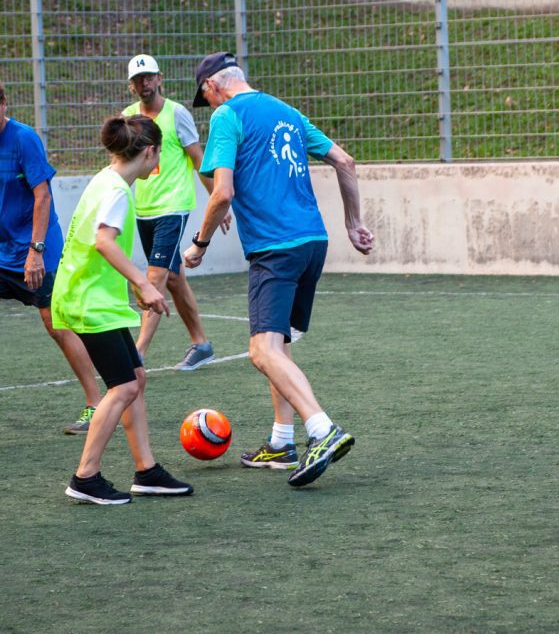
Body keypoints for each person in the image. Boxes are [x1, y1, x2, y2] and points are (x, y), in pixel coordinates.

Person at [182, 52, 374, 488]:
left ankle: (322, 431)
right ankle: (282, 441)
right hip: (313, 243)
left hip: (275, 247)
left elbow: (222, 192)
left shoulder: (228, 116)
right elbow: (344, 161)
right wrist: (354, 223)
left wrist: (200, 244)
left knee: (261, 350)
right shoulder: (286, 111)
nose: (208, 104)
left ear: (213, 86)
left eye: (205, 97)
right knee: (279, 343)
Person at [52, 115, 194, 505]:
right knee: (125, 386)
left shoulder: (107, 180)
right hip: (87, 302)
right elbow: (104, 242)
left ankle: (146, 471)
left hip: (94, 299)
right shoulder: (116, 190)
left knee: (135, 377)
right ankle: (85, 477)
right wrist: (144, 283)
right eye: (159, 153)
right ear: (149, 152)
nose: (159, 161)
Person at [0, 83, 103, 434]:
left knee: (55, 323)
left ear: (4, 104)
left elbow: (42, 197)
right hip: (2, 250)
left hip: (36, 247)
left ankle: (96, 405)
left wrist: (35, 251)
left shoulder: (23, 138)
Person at [123, 53, 230, 370]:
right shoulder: (128, 117)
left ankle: (137, 355)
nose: (144, 83)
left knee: (153, 278)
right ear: (131, 85)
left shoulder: (176, 114)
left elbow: (199, 161)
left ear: (160, 78)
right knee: (172, 278)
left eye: (149, 76)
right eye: (138, 79)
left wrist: (218, 203)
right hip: (143, 210)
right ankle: (201, 344)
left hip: (173, 207)